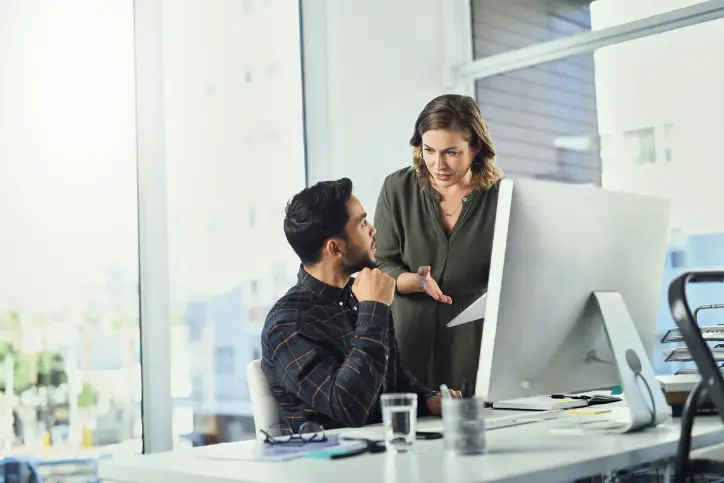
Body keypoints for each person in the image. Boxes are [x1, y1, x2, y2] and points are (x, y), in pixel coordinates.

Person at [261, 178, 457, 433]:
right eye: (362, 223)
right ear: (335, 247)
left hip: (381, 453)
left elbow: (395, 381)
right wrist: (373, 310)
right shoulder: (287, 322)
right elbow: (349, 408)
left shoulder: (357, 297)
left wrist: (429, 400)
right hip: (329, 466)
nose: (373, 229)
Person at [374, 93, 504, 391]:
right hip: (407, 341)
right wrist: (415, 281)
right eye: (429, 150)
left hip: (472, 347)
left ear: (476, 148)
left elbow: (514, 272)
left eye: (451, 152)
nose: (437, 164)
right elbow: (382, 263)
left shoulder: (502, 197)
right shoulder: (398, 188)